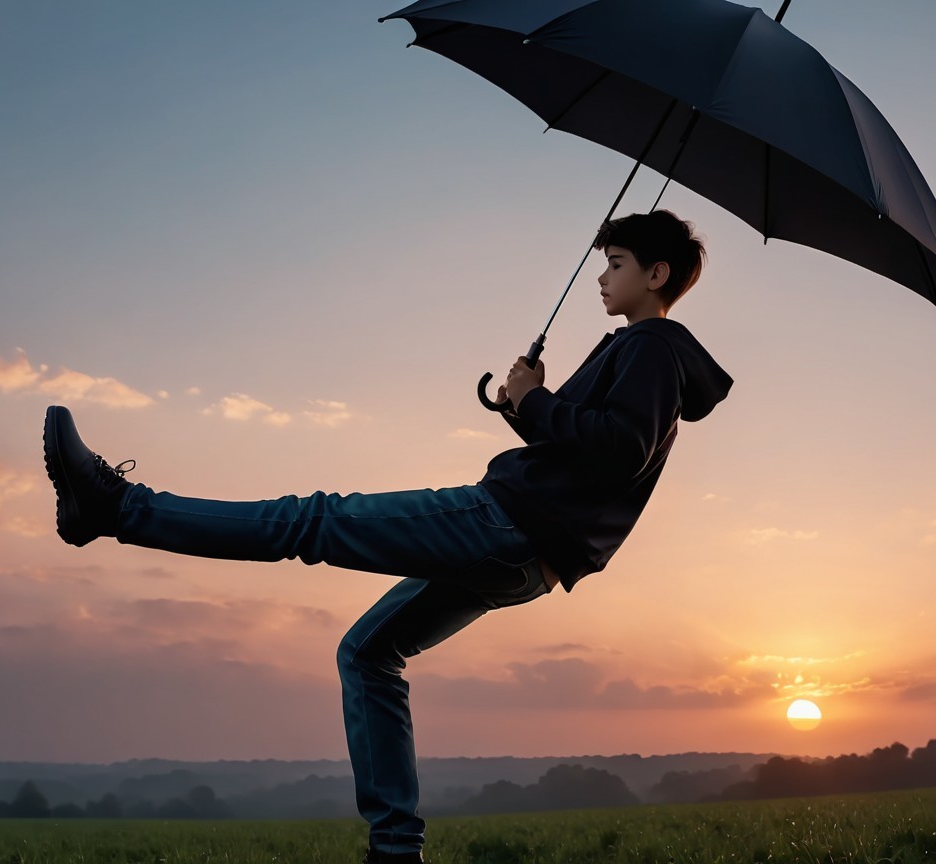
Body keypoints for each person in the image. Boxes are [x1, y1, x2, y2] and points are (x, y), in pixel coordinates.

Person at [42, 209, 733, 864]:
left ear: (657, 275)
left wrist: (535, 401)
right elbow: (579, 456)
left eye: (615, 264)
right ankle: (396, 850)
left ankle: (115, 507)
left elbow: (619, 449)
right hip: (529, 559)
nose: (601, 277)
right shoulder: (643, 353)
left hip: (503, 524)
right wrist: (524, 403)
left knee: (310, 519)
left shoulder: (652, 345)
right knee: (369, 655)